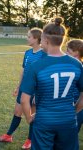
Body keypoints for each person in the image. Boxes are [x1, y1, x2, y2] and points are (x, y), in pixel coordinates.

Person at [20, 17, 83, 150]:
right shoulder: (76, 64)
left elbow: (24, 100)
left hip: (44, 120)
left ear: (46, 40)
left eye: (41, 39)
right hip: (68, 120)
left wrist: (29, 118)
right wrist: (73, 110)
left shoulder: (36, 66)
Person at [0, 27, 45, 149]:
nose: (27, 38)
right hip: (24, 87)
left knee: (32, 115)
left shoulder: (44, 54)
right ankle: (8, 135)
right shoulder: (27, 53)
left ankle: (30, 140)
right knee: (17, 112)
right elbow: (23, 70)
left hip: (36, 89)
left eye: (29, 37)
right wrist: (18, 86)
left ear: (37, 39)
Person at [66, 39, 83, 132]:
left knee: (70, 135)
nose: (65, 53)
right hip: (68, 106)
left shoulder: (79, 68)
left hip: (76, 107)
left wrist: (74, 111)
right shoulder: (69, 65)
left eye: (68, 51)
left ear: (76, 53)